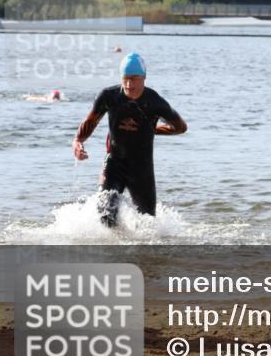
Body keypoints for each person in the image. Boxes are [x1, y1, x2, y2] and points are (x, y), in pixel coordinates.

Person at [72, 53, 187, 226]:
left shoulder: (155, 103)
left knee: (148, 224)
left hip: (142, 169)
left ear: (144, 78)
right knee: (105, 213)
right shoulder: (109, 96)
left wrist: (152, 130)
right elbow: (90, 122)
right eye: (125, 79)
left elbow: (180, 127)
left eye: (134, 79)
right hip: (114, 163)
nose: (129, 84)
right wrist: (78, 141)